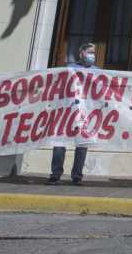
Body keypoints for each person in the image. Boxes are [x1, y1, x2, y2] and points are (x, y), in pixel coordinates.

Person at [47, 42, 94, 186]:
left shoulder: (97, 72)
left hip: (85, 113)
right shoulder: (69, 69)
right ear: (81, 53)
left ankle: (77, 176)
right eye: (90, 52)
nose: (92, 55)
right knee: (60, 142)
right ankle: (55, 174)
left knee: (82, 145)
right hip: (67, 111)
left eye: (93, 53)